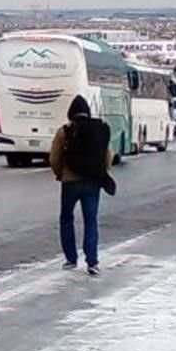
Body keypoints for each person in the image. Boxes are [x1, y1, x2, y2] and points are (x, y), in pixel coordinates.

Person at [49, 95, 114, 277]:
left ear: (70, 113)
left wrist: (60, 173)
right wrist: (100, 171)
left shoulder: (65, 131)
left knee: (66, 218)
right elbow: (108, 156)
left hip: (70, 182)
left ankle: (71, 258)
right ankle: (92, 262)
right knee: (91, 221)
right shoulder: (98, 129)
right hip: (93, 181)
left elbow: (54, 158)